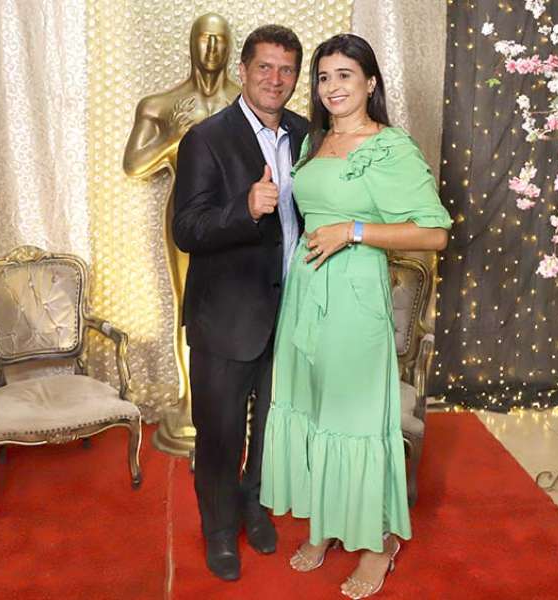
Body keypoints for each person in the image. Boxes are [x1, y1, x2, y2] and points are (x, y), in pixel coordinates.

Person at [260, 33, 451, 599]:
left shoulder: (390, 146)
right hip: (306, 295)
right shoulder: (313, 141)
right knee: (316, 409)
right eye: (323, 77)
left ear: (370, 82)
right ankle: (326, 521)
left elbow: (434, 232)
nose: (332, 86)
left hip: (355, 298)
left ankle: (375, 544)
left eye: (345, 75)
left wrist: (354, 230)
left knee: (356, 418)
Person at [172, 24, 308, 582]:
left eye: (286, 69)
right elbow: (187, 228)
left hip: (291, 315)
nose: (276, 79)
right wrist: (244, 209)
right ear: (244, 71)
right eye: (265, 67)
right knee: (221, 434)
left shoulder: (307, 133)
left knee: (272, 429)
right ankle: (220, 529)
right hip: (226, 320)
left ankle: (254, 504)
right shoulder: (206, 138)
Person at [123, 13, 242, 456]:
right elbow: (134, 164)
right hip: (187, 212)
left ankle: (227, 399)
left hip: (237, 213)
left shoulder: (244, 100)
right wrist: (181, 139)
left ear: (230, 46)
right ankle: (192, 401)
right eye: (204, 39)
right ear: (191, 43)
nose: (211, 49)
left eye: (219, 40)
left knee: (234, 306)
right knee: (189, 307)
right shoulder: (161, 104)